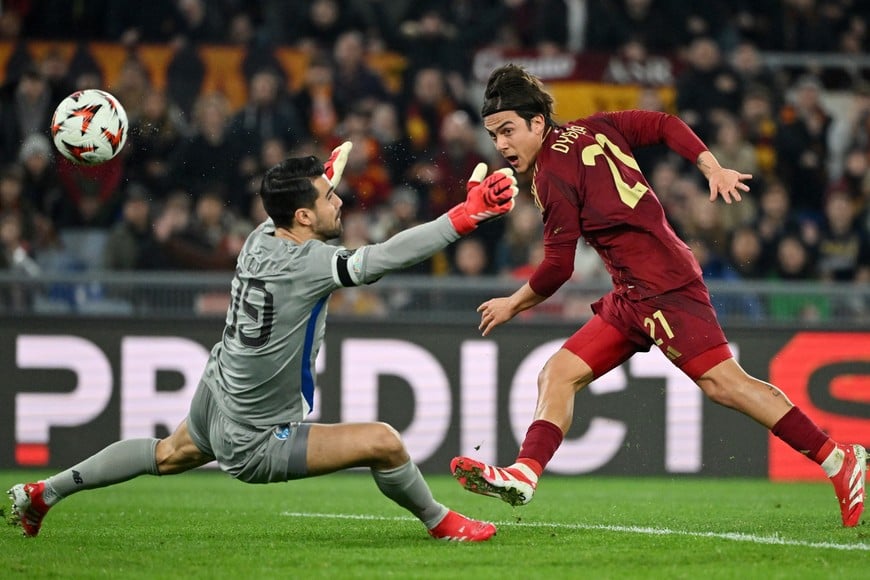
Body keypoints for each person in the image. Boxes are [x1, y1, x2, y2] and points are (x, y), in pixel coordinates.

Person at [7, 142, 519, 541]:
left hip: (219, 390)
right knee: (383, 442)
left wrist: (324, 173)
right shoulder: (312, 263)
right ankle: (440, 523)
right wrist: (464, 216)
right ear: (302, 217)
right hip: (252, 435)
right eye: (329, 197)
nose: (338, 201)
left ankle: (43, 493)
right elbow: (382, 257)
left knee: (167, 452)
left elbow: (297, 202)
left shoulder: (260, 236)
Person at [449, 64, 867, 528]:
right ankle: (524, 474)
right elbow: (663, 124)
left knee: (725, 384)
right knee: (559, 373)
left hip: (661, 286)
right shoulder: (594, 127)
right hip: (636, 289)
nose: (502, 145)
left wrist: (512, 302)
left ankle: (838, 459)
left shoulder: (551, 175)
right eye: (494, 135)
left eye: (508, 131)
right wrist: (711, 165)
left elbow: (557, 268)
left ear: (537, 123)